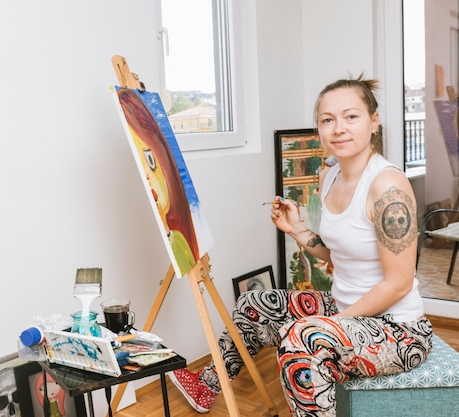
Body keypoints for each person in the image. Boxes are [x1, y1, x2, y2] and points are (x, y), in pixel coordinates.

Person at [168, 75, 432, 416]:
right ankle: (207, 385)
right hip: (344, 310)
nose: (339, 128)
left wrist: (330, 323)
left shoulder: (387, 187)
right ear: (319, 128)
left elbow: (399, 283)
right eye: (327, 120)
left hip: (399, 330)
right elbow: (341, 252)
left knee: (301, 338)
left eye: (351, 116)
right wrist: (297, 230)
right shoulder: (330, 175)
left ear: (373, 121)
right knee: (254, 302)